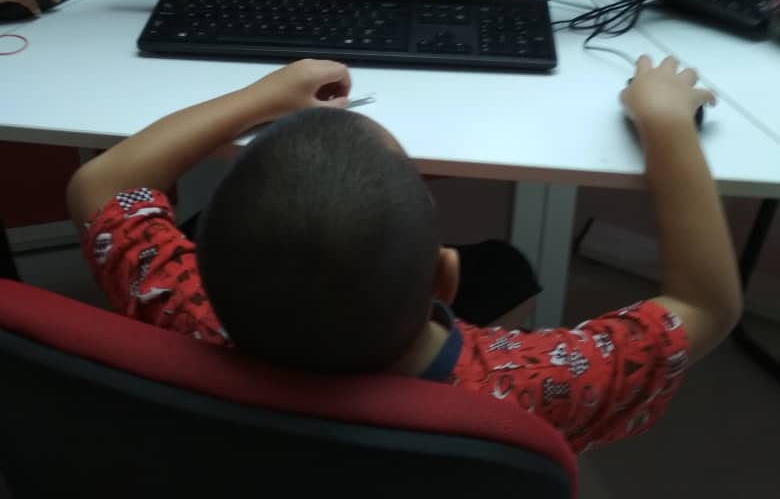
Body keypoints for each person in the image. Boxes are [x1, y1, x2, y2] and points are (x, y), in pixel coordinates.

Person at [67, 56, 742, 453]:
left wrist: (260, 98)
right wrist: (665, 121)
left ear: (205, 270)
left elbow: (101, 184)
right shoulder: (526, 389)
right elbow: (703, 303)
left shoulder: (179, 306)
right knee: (512, 267)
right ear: (446, 277)